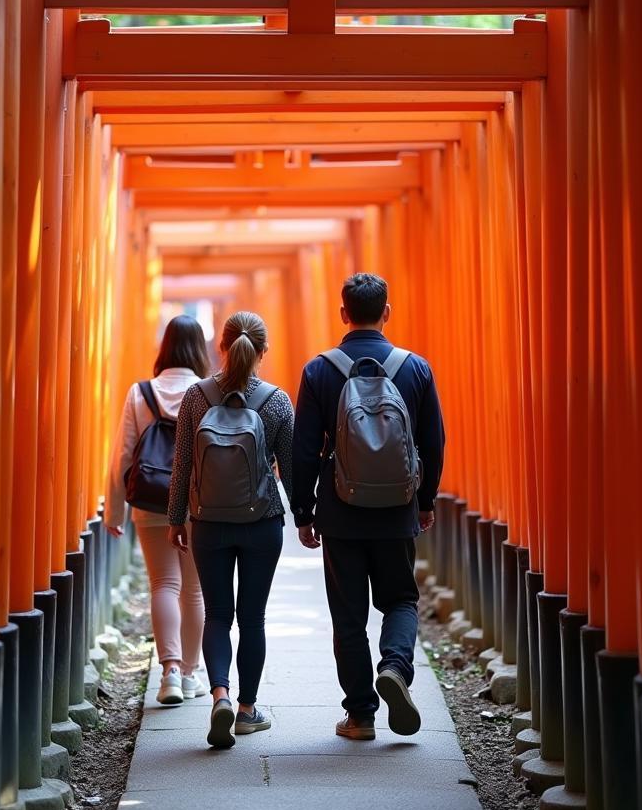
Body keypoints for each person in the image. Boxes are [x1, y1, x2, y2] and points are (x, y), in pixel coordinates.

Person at [291, 273, 445, 741]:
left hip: (341, 509)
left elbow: (302, 448)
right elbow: (433, 441)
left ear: (343, 314)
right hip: (397, 507)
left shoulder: (321, 370)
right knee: (400, 598)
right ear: (387, 312)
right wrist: (425, 500)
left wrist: (304, 511)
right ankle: (396, 667)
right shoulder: (414, 368)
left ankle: (360, 716)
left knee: (348, 613)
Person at [167, 311, 295, 749]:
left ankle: (218, 693)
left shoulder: (195, 398)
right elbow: (292, 470)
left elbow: (182, 463)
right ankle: (246, 710)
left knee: (218, 614)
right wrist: (308, 519)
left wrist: (175, 519)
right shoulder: (276, 401)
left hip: (208, 522)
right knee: (252, 617)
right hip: (262, 522)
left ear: (220, 347)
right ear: (263, 351)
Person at [106, 315, 210, 706]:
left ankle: (167, 671)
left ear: (163, 348)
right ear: (199, 350)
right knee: (194, 590)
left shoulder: (140, 393)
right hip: (199, 502)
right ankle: (189, 673)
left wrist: (114, 512)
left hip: (152, 501)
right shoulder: (206, 392)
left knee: (163, 584)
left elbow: (122, 456)